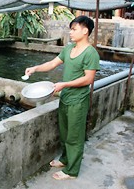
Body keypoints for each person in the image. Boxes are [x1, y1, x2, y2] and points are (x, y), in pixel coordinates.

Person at [24, 15, 100, 180]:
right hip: (65, 99)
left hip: (78, 101)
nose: (71, 32)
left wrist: (64, 84)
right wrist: (35, 68)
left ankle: (72, 171)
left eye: (74, 29)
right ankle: (65, 160)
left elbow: (88, 79)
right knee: (65, 133)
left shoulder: (91, 53)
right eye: (70, 29)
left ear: (85, 31)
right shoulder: (68, 49)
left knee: (75, 136)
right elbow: (52, 64)